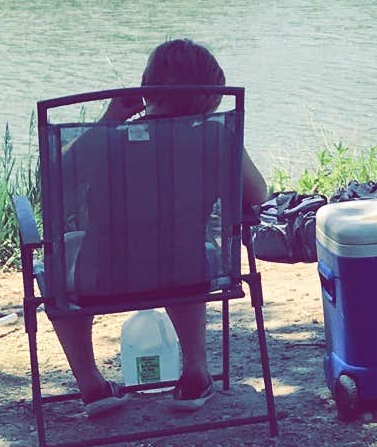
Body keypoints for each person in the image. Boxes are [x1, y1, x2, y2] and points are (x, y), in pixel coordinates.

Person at [47, 38, 266, 417]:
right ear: (210, 95)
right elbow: (257, 194)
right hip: (189, 274)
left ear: (147, 86)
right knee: (190, 248)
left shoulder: (107, 142)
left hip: (102, 280)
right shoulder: (217, 136)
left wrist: (108, 120)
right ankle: (196, 372)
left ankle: (92, 386)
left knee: (60, 253)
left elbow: (54, 186)